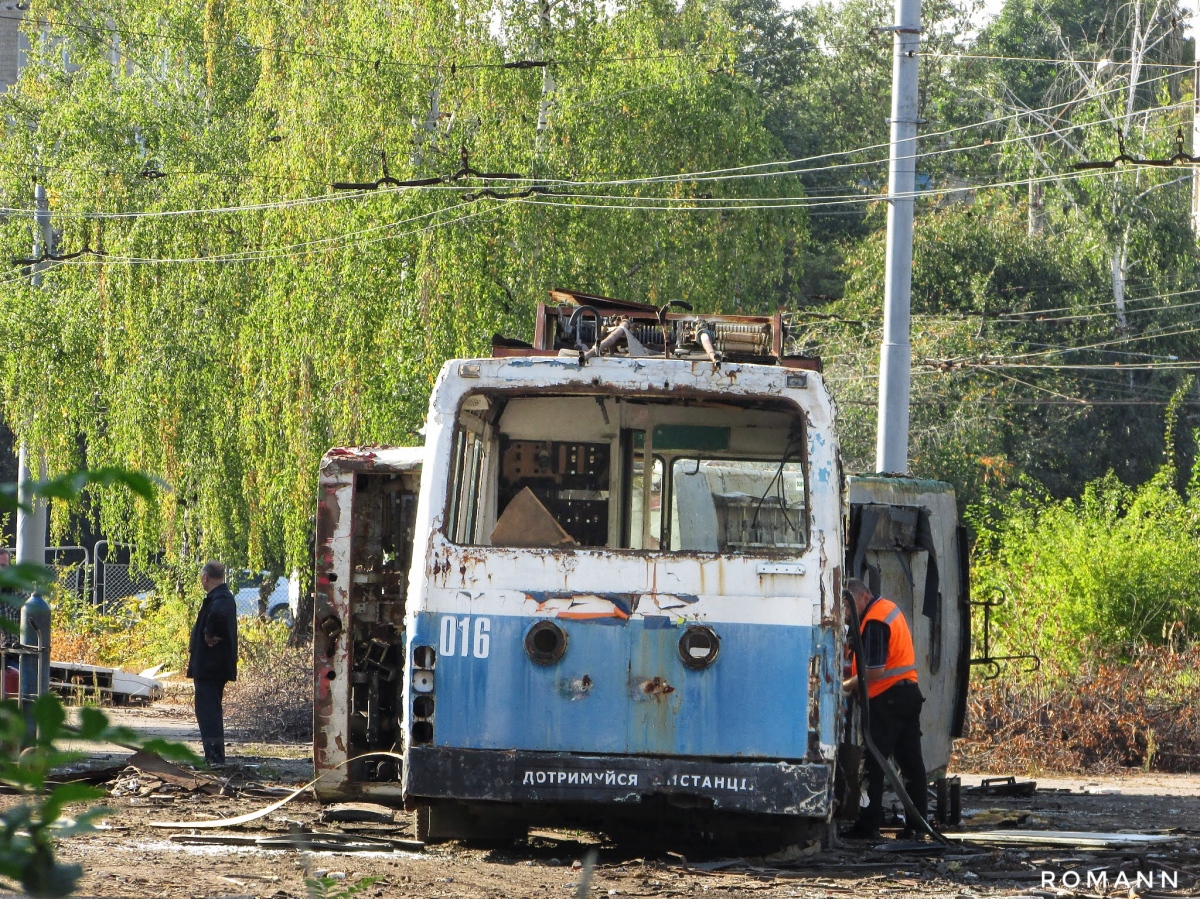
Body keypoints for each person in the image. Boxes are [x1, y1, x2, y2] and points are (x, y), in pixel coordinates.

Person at [841, 577, 928, 840]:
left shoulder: (875, 621)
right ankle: (917, 827)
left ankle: (867, 826)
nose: (846, 614)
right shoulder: (887, 609)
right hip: (907, 694)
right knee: (911, 764)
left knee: (872, 765)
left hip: (887, 699)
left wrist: (845, 686)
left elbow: (875, 671)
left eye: (848, 606)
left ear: (864, 598)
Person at [187, 561, 237, 765]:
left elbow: (217, 614)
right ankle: (213, 756)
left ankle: (215, 758)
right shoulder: (220, 597)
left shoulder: (221, 598)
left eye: (201, 577)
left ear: (206, 577)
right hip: (212, 666)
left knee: (209, 712)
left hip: (211, 666)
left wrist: (208, 633)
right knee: (208, 711)